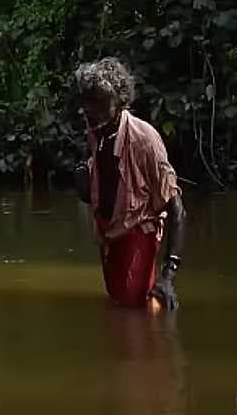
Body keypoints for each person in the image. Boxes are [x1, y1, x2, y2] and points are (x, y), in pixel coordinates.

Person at [72, 57, 186, 310]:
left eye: (100, 103)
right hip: (108, 230)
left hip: (137, 230)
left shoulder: (144, 140)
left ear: (120, 102)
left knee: (140, 307)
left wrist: (168, 277)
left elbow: (177, 209)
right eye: (88, 102)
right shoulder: (95, 131)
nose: (91, 110)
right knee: (118, 302)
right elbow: (97, 187)